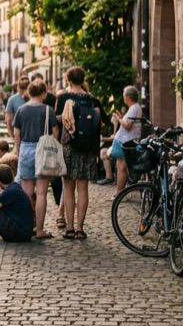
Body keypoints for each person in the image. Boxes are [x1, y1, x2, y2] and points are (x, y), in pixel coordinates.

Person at [55, 66, 105, 240]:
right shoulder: (93, 100)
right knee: (83, 188)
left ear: (68, 80)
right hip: (88, 148)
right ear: (83, 80)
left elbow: (57, 121)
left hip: (69, 146)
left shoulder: (63, 97)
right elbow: (100, 123)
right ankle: (80, 229)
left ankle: (69, 228)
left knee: (68, 188)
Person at [12, 79, 60, 240]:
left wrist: (18, 151)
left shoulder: (20, 110)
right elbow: (56, 133)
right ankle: (39, 230)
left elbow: (16, 134)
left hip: (25, 149)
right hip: (43, 151)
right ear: (44, 94)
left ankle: (26, 227)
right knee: (41, 193)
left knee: (26, 194)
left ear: (29, 92)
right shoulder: (48, 110)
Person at [111, 86, 143, 194]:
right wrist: (122, 117)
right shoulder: (134, 108)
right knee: (120, 166)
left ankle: (119, 192)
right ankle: (119, 191)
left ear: (127, 97)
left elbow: (128, 125)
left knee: (121, 167)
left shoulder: (134, 107)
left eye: (124, 96)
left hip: (126, 141)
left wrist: (119, 119)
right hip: (125, 140)